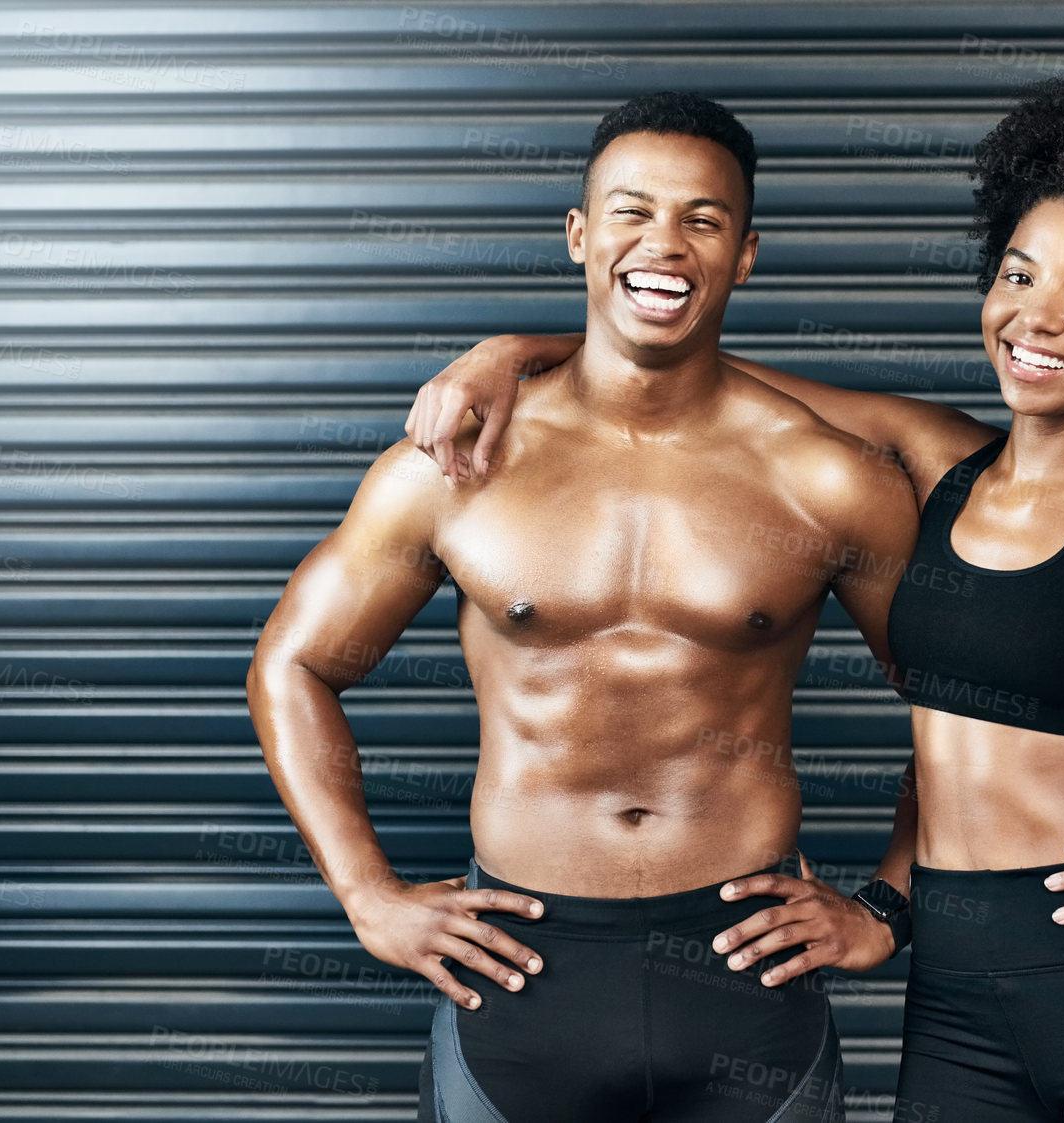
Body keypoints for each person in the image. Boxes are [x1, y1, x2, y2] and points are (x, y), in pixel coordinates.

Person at [408, 66, 1064, 1123]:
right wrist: (511, 353)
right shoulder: (935, 462)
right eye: (1018, 276)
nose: (1039, 318)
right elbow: (683, 361)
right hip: (952, 995)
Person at [247, 92, 926, 1123]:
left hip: (745, 977)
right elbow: (292, 664)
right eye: (631, 210)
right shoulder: (454, 465)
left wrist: (886, 904)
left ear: (744, 255)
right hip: (520, 973)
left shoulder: (825, 479)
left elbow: (969, 701)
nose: (665, 242)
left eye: (703, 219)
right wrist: (367, 895)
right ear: (579, 234)